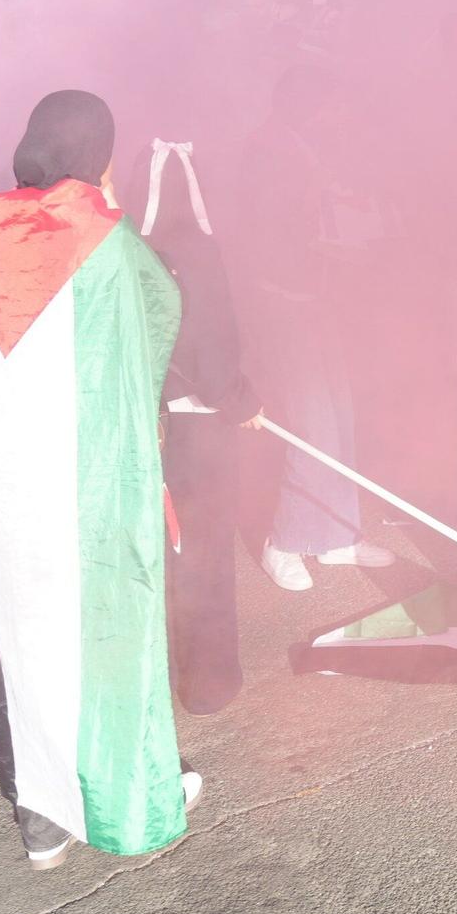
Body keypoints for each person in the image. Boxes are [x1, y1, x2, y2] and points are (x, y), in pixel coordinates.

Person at [0, 90, 201, 871]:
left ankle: (42, 818)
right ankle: (129, 789)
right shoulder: (102, 235)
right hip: (94, 475)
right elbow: (163, 306)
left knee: (31, 632)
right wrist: (115, 216)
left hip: (11, 477)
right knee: (110, 629)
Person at [237, 66, 393, 592]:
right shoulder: (266, 151)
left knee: (340, 418)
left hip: (315, 297)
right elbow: (267, 233)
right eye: (330, 106)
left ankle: (336, 535)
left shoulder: (302, 146)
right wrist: (329, 248)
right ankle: (285, 541)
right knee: (313, 426)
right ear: (303, 105)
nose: (338, 116)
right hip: (283, 301)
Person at [133, 134, 261, 716]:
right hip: (198, 431)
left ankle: (157, 678)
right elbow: (209, 351)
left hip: (146, 424)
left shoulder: (129, 247)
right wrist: (242, 401)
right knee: (205, 554)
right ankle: (209, 682)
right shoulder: (192, 250)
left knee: (163, 552)